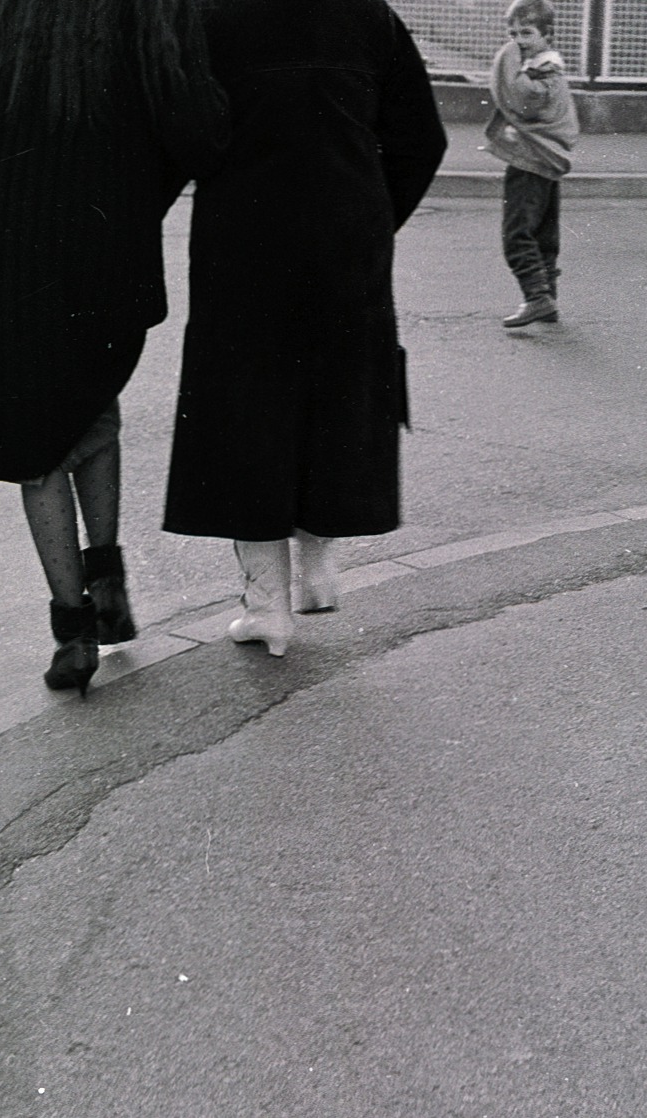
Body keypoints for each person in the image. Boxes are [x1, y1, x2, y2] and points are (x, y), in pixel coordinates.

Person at [0, 0, 228, 696]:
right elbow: (192, 120)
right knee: (90, 402)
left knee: (35, 439)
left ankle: (74, 629)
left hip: (16, 234)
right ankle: (108, 577)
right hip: (107, 232)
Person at [162, 0, 448, 657]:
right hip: (347, 240)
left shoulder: (214, 19)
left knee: (247, 417)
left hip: (244, 246)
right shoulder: (369, 16)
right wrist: (374, 215)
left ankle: (267, 606)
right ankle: (320, 565)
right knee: (335, 403)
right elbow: (423, 139)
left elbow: (181, 136)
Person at [483, 0, 578, 328]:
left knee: (517, 232)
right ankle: (548, 296)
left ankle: (536, 297)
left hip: (531, 158)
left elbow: (526, 99)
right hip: (547, 156)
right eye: (512, 33)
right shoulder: (545, 63)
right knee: (543, 232)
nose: (518, 39)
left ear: (547, 34)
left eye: (526, 32)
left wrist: (510, 59)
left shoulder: (542, 68)